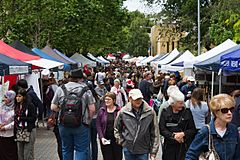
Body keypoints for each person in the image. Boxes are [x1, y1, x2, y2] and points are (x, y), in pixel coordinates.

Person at [51, 69, 96, 160]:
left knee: (66, 149)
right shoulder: (86, 90)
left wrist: (62, 110)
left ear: (69, 78)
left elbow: (53, 107)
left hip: (63, 124)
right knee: (81, 150)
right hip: (81, 124)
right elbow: (92, 109)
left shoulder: (61, 89)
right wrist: (88, 120)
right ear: (81, 79)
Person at [186, 94, 240, 159]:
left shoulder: (233, 130)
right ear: (216, 113)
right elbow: (191, 155)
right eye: (224, 110)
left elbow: (237, 156)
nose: (229, 113)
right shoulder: (205, 131)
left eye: (231, 109)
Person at [114, 89, 159, 160]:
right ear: (130, 99)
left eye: (140, 98)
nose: (138, 101)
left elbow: (155, 132)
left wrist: (153, 151)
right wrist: (122, 141)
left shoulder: (150, 112)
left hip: (144, 148)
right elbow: (117, 128)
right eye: (136, 99)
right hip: (128, 148)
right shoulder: (123, 112)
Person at [159, 90, 196, 160]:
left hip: (184, 148)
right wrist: (173, 136)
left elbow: (193, 130)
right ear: (173, 103)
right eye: (180, 103)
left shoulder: (187, 112)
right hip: (169, 148)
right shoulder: (165, 113)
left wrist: (183, 134)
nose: (182, 105)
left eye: (183, 103)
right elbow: (162, 129)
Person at [96, 92, 122, 160]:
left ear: (113, 100)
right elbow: (98, 125)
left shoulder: (119, 111)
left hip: (117, 139)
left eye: (108, 99)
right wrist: (101, 137)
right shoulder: (101, 111)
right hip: (106, 138)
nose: (106, 101)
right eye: (105, 99)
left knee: (118, 157)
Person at [15, 89, 37, 160]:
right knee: (20, 153)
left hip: (29, 130)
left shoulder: (30, 105)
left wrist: (21, 118)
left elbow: (33, 118)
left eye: (19, 96)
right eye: (17, 96)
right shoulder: (17, 106)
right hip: (20, 130)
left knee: (28, 153)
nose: (17, 98)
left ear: (24, 97)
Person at [0, 90, 18, 160]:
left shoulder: (16, 109)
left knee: (10, 154)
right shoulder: (1, 106)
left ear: (11, 99)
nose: (4, 99)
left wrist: (5, 127)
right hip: (1, 134)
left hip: (9, 134)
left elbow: (16, 121)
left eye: (6, 97)